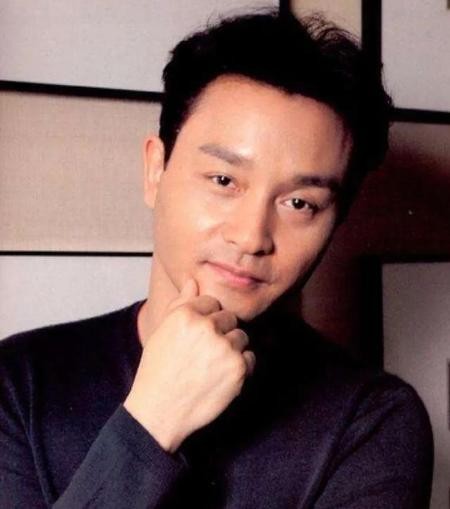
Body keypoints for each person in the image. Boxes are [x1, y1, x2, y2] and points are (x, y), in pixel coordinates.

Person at [0, 9, 433, 508]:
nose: (251, 237)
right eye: (224, 180)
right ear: (155, 171)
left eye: (299, 203)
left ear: (335, 221)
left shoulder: (374, 420)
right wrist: (152, 422)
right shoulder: (19, 384)